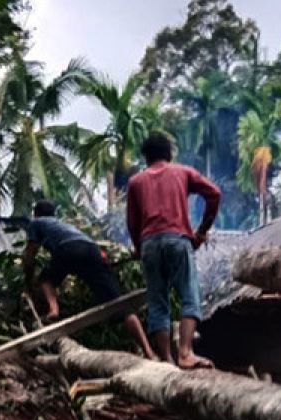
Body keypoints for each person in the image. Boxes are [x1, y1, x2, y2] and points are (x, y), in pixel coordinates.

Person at [125, 132, 221, 369]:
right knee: (189, 294)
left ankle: (166, 359)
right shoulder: (182, 172)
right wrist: (201, 231)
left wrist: (138, 248)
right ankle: (185, 353)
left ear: (146, 157)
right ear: (168, 153)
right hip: (177, 239)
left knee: (157, 301)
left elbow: (132, 222)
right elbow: (214, 194)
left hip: (149, 243)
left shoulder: (136, 182)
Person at [22, 200, 157, 359]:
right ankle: (149, 351)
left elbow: (30, 255)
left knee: (46, 278)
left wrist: (28, 281)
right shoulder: (63, 225)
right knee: (120, 305)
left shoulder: (37, 223)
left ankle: (53, 310)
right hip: (92, 250)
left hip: (67, 249)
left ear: (36, 214)